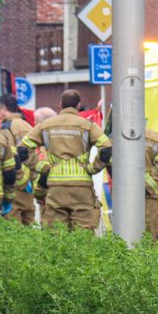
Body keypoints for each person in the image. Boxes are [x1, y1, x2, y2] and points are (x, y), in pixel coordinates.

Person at [21, 90, 110, 230]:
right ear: (78, 105)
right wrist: (93, 168)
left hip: (56, 187)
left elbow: (23, 149)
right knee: (83, 234)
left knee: (56, 233)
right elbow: (106, 149)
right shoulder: (88, 125)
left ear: (60, 104)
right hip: (81, 187)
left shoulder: (45, 125)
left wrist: (42, 168)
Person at [0, 93, 37, 226]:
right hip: (29, 183)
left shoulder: (6, 127)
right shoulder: (27, 125)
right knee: (29, 225)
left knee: (13, 229)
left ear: (4, 108)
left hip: (15, 184)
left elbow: (7, 157)